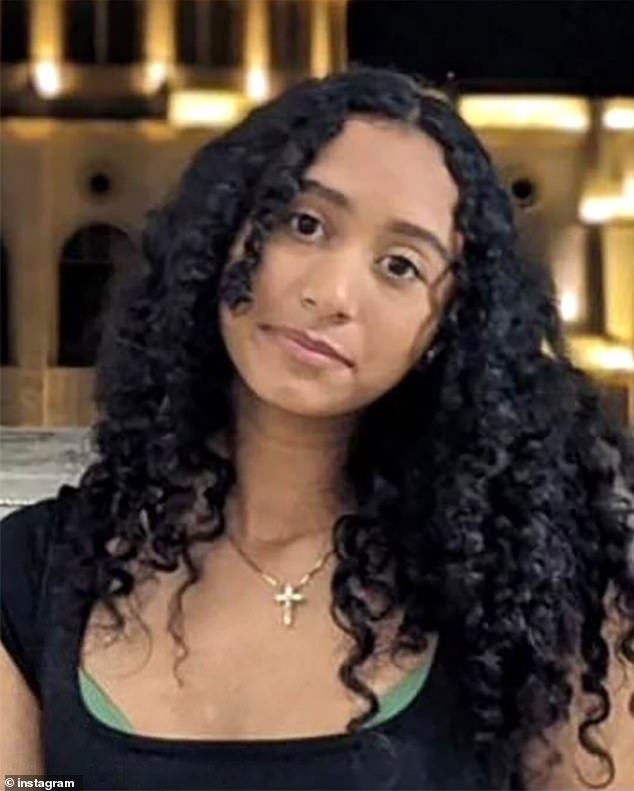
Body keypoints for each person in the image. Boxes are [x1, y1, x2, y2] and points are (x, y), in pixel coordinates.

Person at [1, 65, 633, 791]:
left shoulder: (539, 596)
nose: (331, 293)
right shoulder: (30, 577)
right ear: (224, 237)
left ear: (449, 328)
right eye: (305, 224)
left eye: (400, 266)